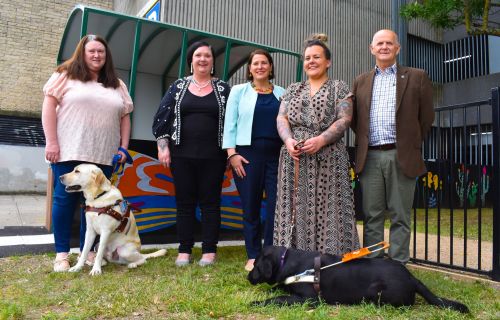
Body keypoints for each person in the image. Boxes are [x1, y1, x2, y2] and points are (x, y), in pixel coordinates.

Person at [41, 34, 133, 272]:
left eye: (101, 52)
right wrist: (51, 142)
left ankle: (88, 252)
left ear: (106, 56)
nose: (96, 55)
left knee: (95, 206)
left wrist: (123, 146)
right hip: (69, 150)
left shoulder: (117, 84)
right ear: (82, 53)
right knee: (64, 200)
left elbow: (125, 117)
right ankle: (61, 254)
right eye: (91, 51)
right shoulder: (65, 75)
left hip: (104, 154)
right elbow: (48, 105)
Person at [351, 29, 434, 264]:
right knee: (372, 215)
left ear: (397, 48)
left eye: (389, 43)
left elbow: (426, 117)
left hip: (402, 154)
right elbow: (357, 120)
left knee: (400, 215)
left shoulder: (417, 76)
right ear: (372, 48)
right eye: (380, 43)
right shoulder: (361, 81)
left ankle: (398, 266)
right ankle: (374, 264)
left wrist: (411, 143)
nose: (384, 46)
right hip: (371, 157)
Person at [273, 34, 360, 255]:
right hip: (296, 158)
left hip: (329, 157)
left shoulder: (339, 87)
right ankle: (293, 260)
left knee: (330, 208)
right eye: (307, 58)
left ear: (328, 62)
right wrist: (288, 140)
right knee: (295, 208)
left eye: (317, 57)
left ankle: (332, 261)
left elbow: (345, 119)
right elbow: (281, 118)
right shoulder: (292, 89)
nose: (311, 61)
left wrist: (321, 140)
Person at [152, 41, 230, 267]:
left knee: (211, 203)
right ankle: (184, 250)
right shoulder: (178, 87)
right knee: (184, 203)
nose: (203, 59)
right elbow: (161, 118)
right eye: (198, 55)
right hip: (181, 156)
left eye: (207, 55)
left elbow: (233, 122)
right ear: (191, 61)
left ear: (213, 61)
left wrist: (231, 153)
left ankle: (209, 250)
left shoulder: (224, 89)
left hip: (214, 157)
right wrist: (163, 146)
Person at [222, 49, 286, 271]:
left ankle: (269, 253)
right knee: (250, 206)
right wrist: (232, 154)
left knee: (276, 208)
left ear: (270, 67)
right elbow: (229, 124)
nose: (260, 66)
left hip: (277, 158)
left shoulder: (282, 93)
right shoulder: (239, 92)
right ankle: (253, 254)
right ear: (250, 68)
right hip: (246, 157)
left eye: (264, 63)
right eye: (255, 63)